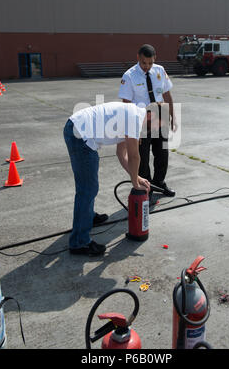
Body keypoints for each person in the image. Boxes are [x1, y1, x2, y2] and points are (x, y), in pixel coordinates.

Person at [63, 101, 164, 256]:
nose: (157, 129)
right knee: (88, 189)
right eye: (159, 124)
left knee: (89, 186)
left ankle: (88, 217)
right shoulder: (136, 117)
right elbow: (134, 156)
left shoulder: (133, 116)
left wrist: (135, 177)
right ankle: (79, 243)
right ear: (152, 114)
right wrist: (136, 183)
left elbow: (121, 154)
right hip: (80, 134)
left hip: (79, 130)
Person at [118, 44, 176, 197]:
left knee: (162, 153)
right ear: (138, 57)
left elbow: (167, 95)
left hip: (160, 114)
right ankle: (147, 186)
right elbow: (126, 103)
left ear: (154, 59)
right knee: (142, 156)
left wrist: (172, 116)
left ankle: (160, 183)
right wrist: (132, 129)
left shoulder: (160, 70)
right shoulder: (129, 76)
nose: (147, 66)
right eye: (144, 63)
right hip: (141, 119)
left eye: (150, 63)